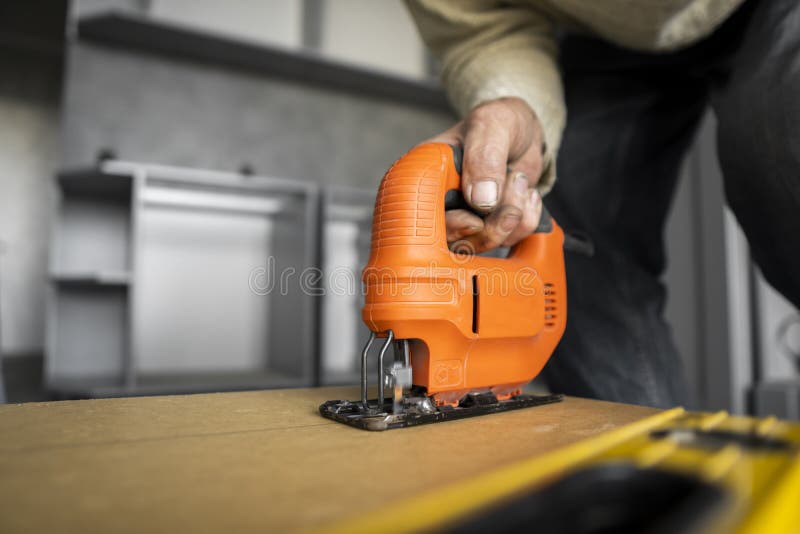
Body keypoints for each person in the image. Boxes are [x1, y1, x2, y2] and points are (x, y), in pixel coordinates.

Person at [405, 0, 800, 407]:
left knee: (781, 148)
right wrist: (515, 105)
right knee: (572, 238)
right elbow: (483, 28)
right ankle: (647, 461)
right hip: (601, 31)